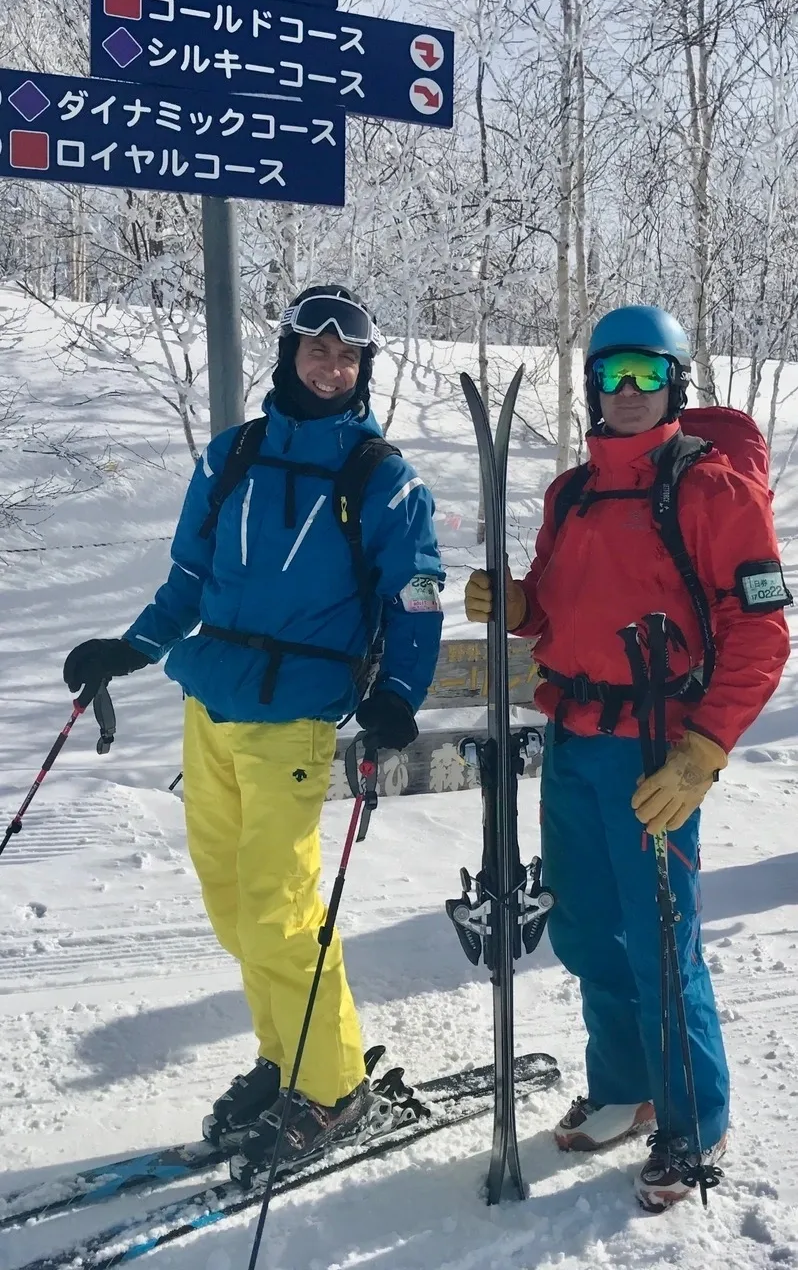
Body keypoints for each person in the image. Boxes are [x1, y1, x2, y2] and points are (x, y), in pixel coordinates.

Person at [64, 285, 445, 1169]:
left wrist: (400, 693)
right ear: (287, 354)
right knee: (235, 905)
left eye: (347, 355)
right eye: (316, 348)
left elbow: (417, 591)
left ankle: (334, 1082)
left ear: (364, 368)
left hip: (296, 719)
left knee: (279, 908)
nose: (330, 364)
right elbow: (188, 574)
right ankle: (287, 1057)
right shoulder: (232, 454)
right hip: (213, 701)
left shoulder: (381, 475)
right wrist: (133, 646)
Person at [465, 305, 791, 1210]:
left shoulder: (716, 491)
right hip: (572, 743)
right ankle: (624, 1088)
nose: (631, 392)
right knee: (583, 930)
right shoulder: (569, 494)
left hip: (656, 753)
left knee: (659, 944)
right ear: (594, 385)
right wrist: (517, 605)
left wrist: (704, 752)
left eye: (650, 375)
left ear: (677, 383)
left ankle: (697, 1118)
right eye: (615, 375)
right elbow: (560, 612)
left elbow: (762, 632)